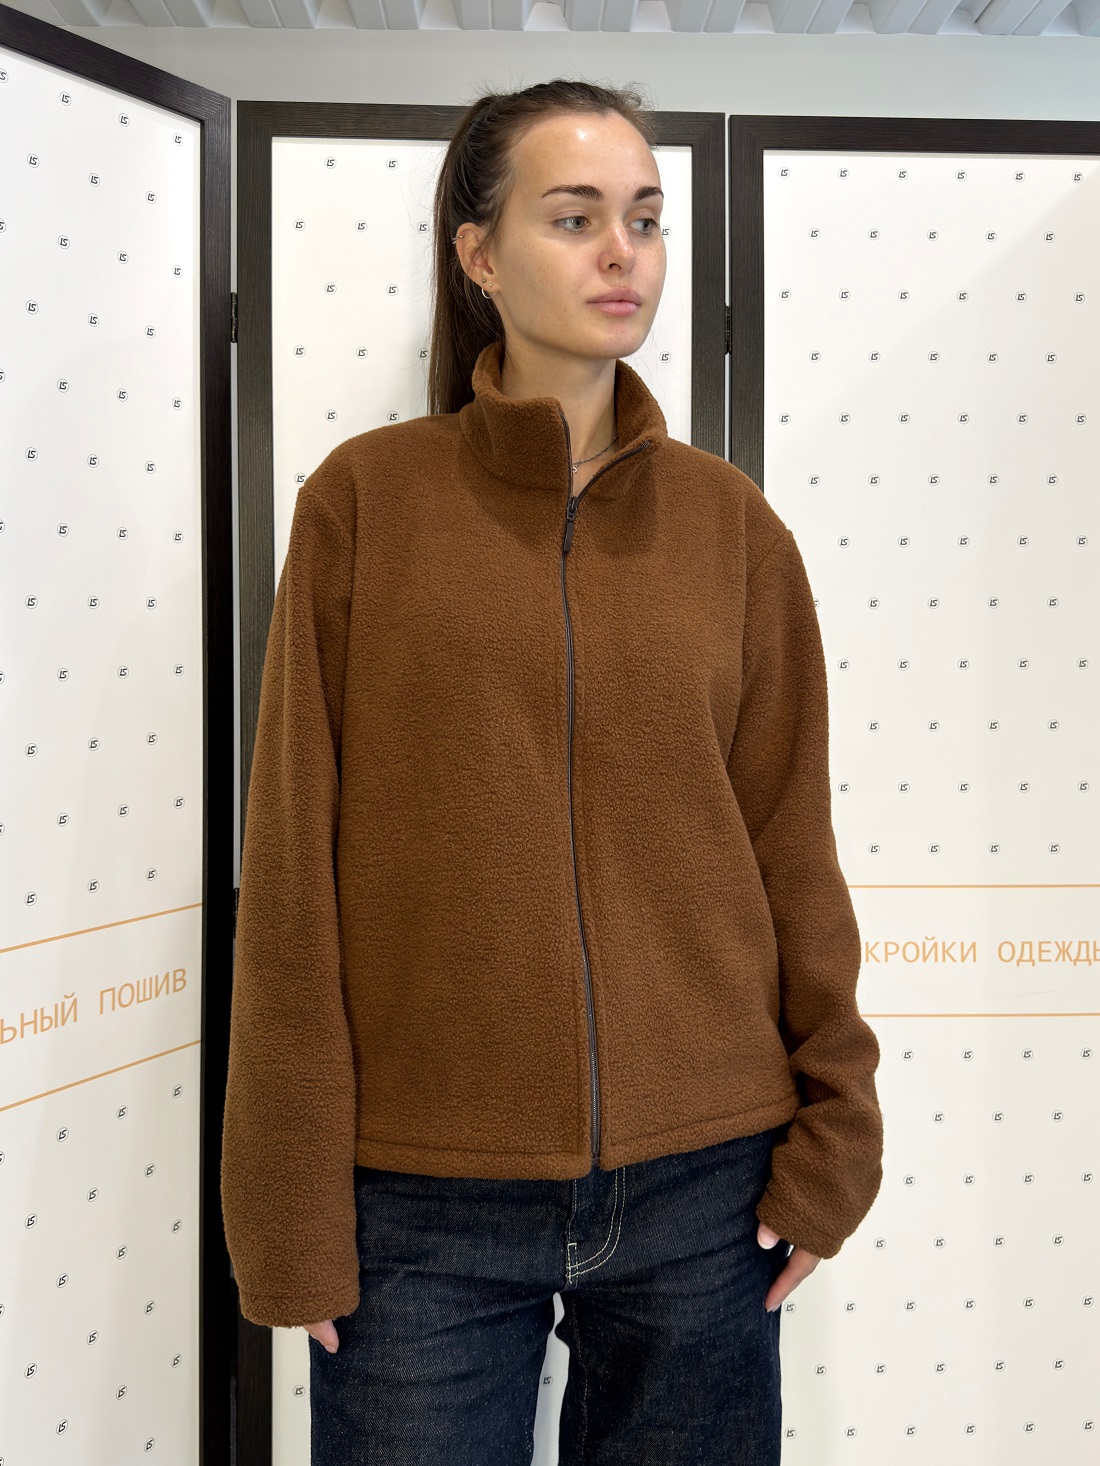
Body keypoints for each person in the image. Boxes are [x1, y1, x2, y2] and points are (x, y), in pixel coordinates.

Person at [220, 78, 884, 1465]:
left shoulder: (733, 532)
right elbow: (290, 880)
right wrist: (287, 1203)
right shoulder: (363, 505)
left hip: (709, 1188)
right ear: (478, 253)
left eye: (644, 217)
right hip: (421, 1204)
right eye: (573, 218)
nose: (621, 253)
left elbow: (793, 854)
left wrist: (836, 1138)